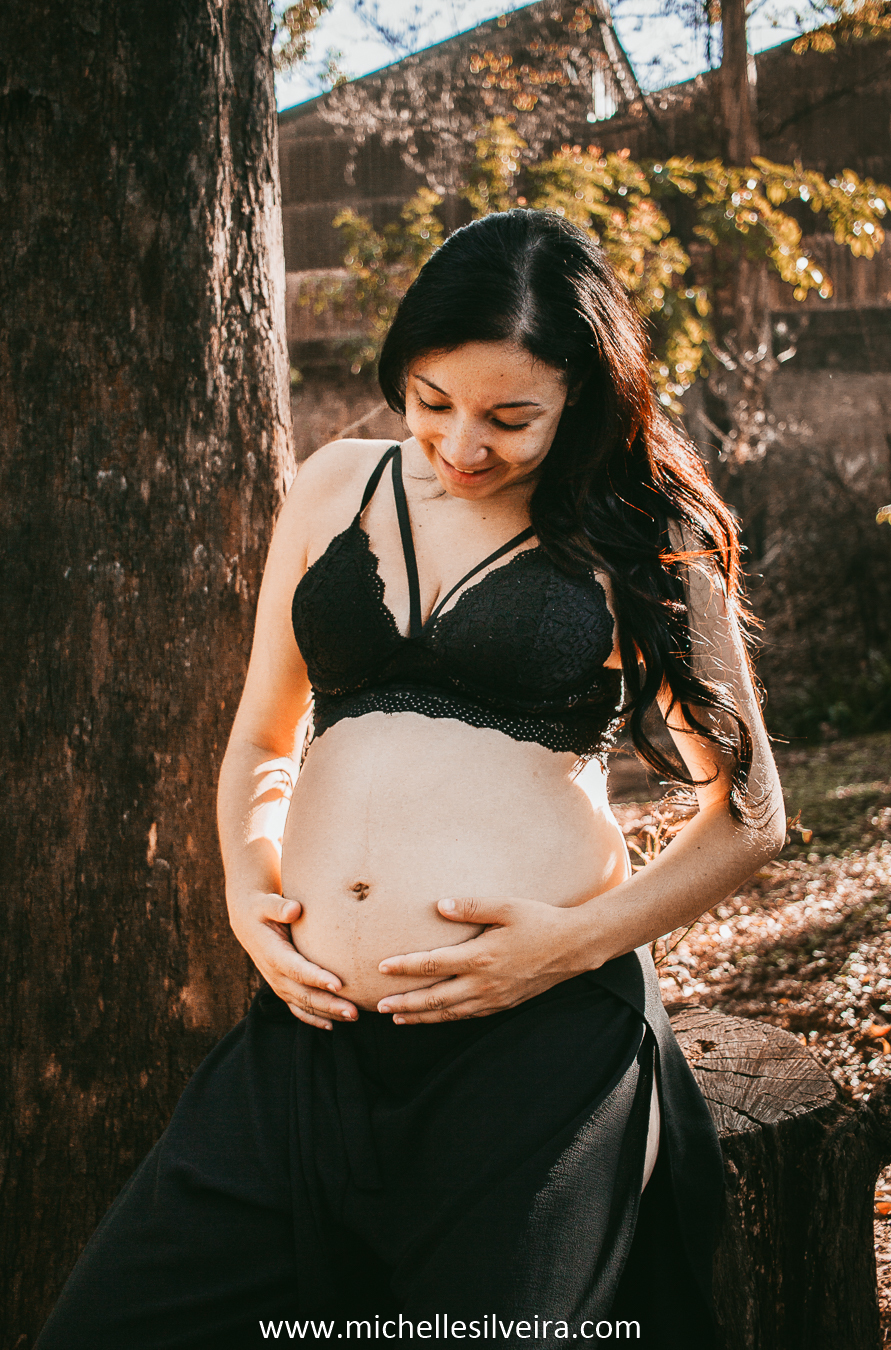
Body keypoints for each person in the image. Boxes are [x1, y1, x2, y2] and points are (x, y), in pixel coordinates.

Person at [37, 210, 785, 1349]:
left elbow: (754, 815)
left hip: (534, 1046)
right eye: (432, 402)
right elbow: (262, 739)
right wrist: (249, 890)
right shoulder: (335, 482)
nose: (462, 446)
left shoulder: (640, 527)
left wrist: (567, 947)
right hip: (311, 1040)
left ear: (583, 393)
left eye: (510, 417)